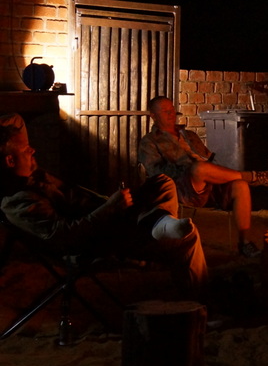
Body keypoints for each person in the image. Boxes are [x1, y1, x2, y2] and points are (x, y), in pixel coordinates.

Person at [1, 113, 209, 302]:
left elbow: (16, 119)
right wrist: (109, 208)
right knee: (186, 238)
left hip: (111, 219)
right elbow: (67, 236)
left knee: (162, 182)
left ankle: (158, 221)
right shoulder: (18, 202)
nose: (33, 149)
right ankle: (197, 304)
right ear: (10, 160)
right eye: (26, 149)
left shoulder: (32, 177)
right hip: (99, 240)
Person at [139, 96, 268, 258]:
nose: (171, 114)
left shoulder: (189, 135)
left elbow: (209, 160)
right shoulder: (149, 142)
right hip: (182, 187)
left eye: (172, 110)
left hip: (208, 183)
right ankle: (252, 176)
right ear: (153, 116)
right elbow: (156, 172)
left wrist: (216, 172)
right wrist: (188, 169)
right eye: (165, 111)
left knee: (240, 185)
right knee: (199, 168)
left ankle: (244, 242)